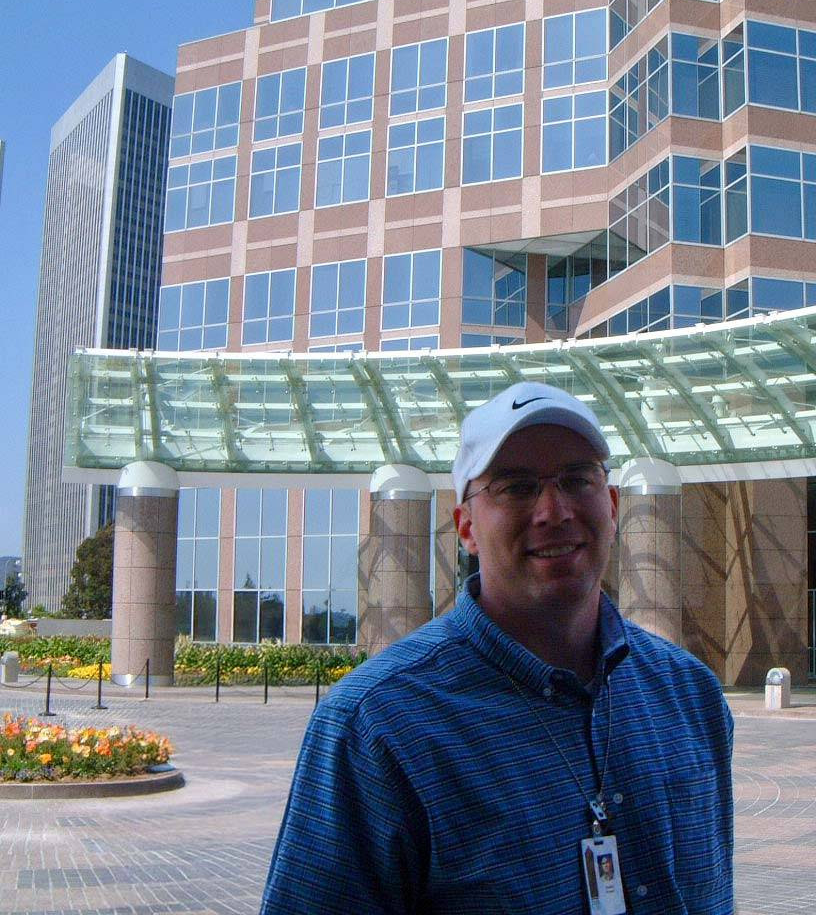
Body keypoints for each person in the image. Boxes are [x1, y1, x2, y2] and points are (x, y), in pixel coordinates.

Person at [260, 381, 734, 914]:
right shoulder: (377, 726)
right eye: (515, 487)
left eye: (577, 479)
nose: (554, 511)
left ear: (614, 503)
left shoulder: (690, 695)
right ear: (465, 527)